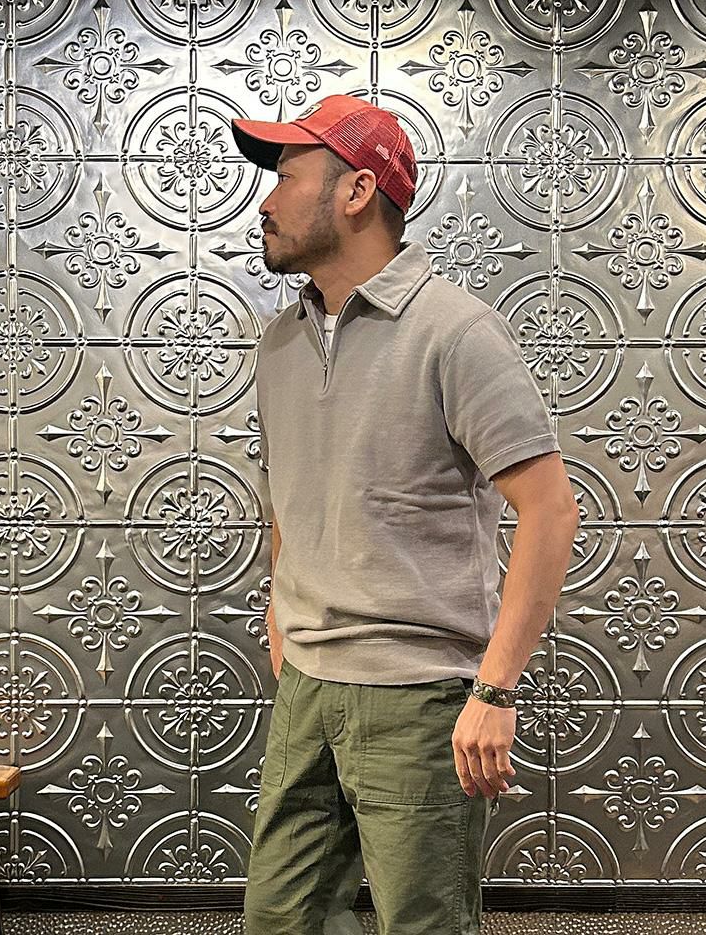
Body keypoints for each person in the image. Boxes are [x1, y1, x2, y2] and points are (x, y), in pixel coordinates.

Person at [230, 94, 581, 935]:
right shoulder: (279, 344)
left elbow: (550, 511)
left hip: (419, 700)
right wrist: (282, 617)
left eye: (286, 177)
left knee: (423, 925)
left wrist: (495, 688)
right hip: (307, 691)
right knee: (280, 922)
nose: (266, 202)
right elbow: (290, 501)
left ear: (357, 191)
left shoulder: (456, 333)